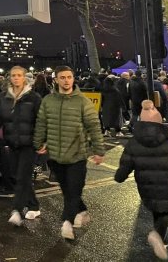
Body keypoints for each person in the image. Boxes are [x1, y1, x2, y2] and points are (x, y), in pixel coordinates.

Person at [34, 65, 105, 241]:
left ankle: (67, 221)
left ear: (73, 79)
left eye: (69, 77)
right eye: (63, 77)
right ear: (56, 79)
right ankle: (81, 210)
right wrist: (39, 142)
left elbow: (94, 127)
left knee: (73, 189)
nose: (66, 80)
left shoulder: (83, 101)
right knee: (68, 190)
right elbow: (41, 123)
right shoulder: (48, 100)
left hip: (77, 155)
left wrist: (98, 150)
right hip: (55, 156)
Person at [115, 100, 168, 259]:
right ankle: (156, 235)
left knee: (156, 210)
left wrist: (120, 176)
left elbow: (125, 166)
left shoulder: (133, 143)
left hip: (146, 187)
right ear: (159, 121)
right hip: (167, 189)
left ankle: (161, 239)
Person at [0, 66, 42, 225]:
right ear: (9, 78)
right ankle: (33, 205)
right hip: (12, 143)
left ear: (25, 78)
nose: (16, 78)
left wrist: (42, 140)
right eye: (13, 75)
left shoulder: (34, 97)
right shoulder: (2, 98)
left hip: (30, 144)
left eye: (19, 75)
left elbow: (42, 121)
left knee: (23, 176)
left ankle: (17, 210)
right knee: (19, 175)